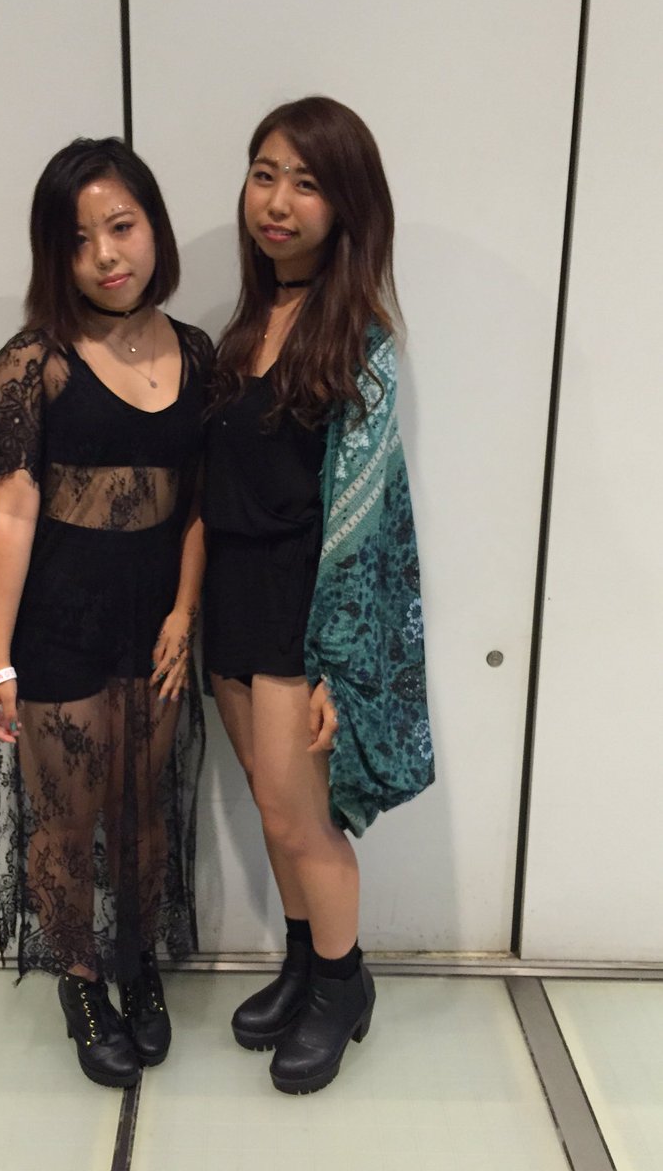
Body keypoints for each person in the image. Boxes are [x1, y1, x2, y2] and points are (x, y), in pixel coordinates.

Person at [204, 97, 434, 1095]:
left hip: (305, 612)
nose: (278, 201)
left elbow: (368, 522)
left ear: (346, 206)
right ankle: (303, 963)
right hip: (234, 599)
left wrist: (341, 659)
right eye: (265, 175)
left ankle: (343, 987)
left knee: (306, 821)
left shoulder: (359, 339)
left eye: (305, 183)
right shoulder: (245, 326)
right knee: (270, 805)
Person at [0, 138, 211, 1090]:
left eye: (121, 226)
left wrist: (185, 613)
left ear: (153, 226)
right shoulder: (33, 362)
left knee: (143, 812)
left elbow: (199, 505)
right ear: (55, 254)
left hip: (154, 623)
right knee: (66, 821)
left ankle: (136, 961)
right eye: (79, 240)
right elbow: (13, 511)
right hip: (60, 622)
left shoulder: (197, 353)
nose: (106, 255)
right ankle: (79, 981)